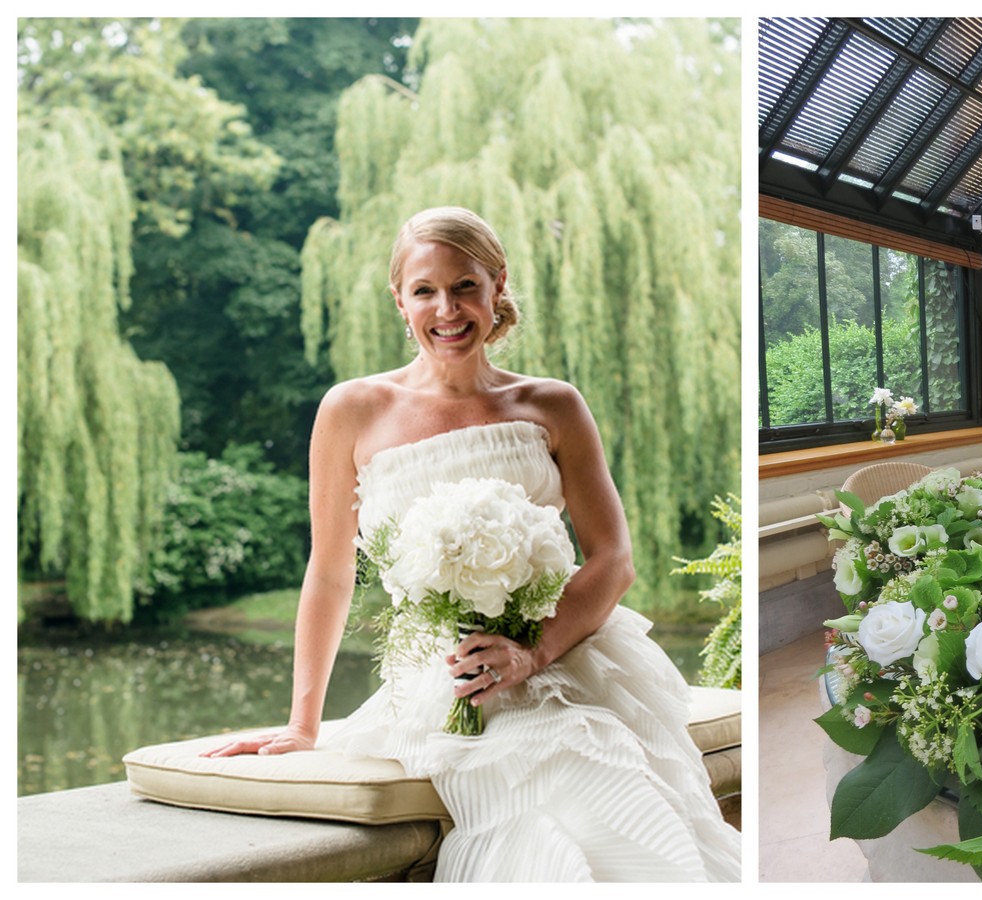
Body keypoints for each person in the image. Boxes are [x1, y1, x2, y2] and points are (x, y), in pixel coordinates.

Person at [205, 206, 740, 881]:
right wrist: (302, 727)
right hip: (439, 674)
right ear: (399, 299)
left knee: (603, 764)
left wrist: (531, 652)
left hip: (569, 653)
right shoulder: (352, 409)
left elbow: (612, 558)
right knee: (536, 801)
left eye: (465, 286)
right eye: (425, 289)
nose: (447, 309)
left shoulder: (552, 405)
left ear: (497, 287)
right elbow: (332, 572)